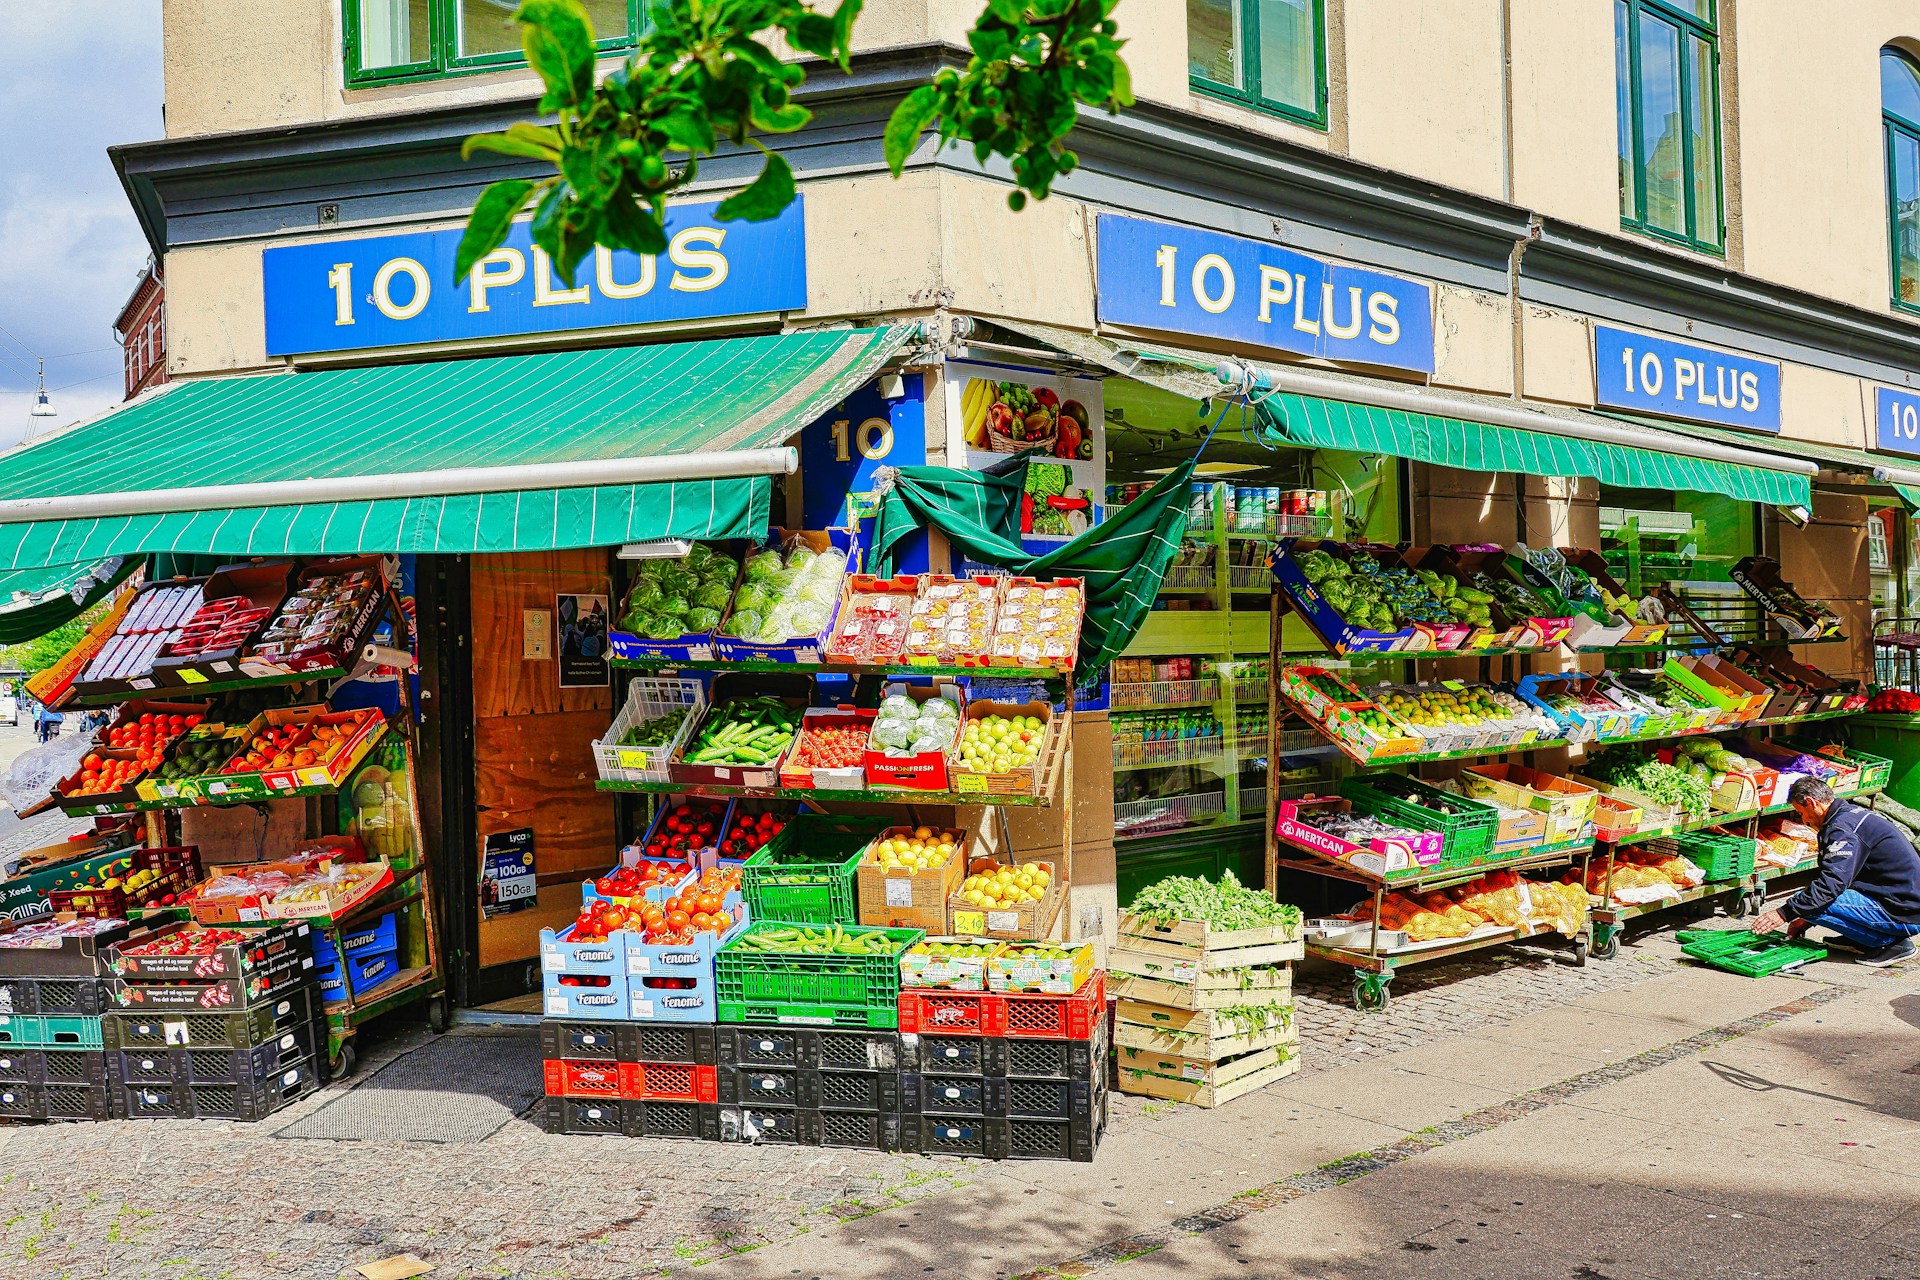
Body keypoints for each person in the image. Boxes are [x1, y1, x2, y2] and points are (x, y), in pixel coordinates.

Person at [1753, 776, 1920, 967]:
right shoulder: (1847, 814)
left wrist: (1784, 913)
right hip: (1903, 902)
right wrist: (1805, 918)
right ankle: (1865, 938)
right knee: (1809, 903)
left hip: (1905, 911)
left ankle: (1890, 943)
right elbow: (1840, 878)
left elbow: (1831, 885)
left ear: (1811, 803)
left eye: (1801, 813)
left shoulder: (1841, 829)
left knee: (1806, 900)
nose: (1803, 819)